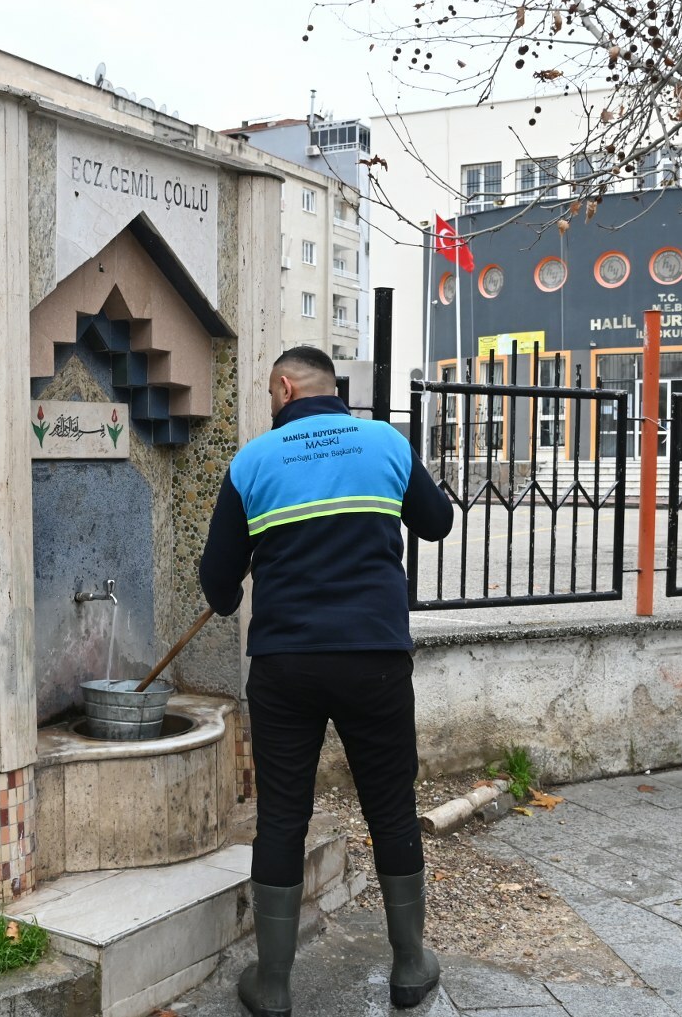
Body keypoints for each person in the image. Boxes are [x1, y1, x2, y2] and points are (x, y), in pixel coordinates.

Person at [200, 345, 455, 1016]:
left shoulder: (254, 460)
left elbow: (217, 585)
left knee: (283, 815)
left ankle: (275, 985)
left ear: (284, 388)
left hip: (286, 665)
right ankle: (408, 966)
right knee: (392, 806)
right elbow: (437, 522)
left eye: (269, 395)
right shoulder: (384, 442)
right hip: (373, 656)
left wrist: (241, 577)